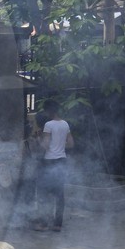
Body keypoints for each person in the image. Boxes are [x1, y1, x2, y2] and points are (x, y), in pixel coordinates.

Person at [35, 97, 73, 232]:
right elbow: (71, 144)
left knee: (43, 193)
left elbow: (45, 146)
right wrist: (59, 147)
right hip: (62, 160)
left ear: (48, 111)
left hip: (49, 161)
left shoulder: (48, 125)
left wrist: (38, 138)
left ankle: (43, 224)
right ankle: (57, 224)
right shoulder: (65, 124)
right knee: (59, 193)